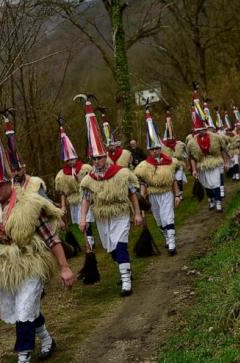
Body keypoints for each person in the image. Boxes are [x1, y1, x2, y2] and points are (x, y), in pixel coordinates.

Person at [0, 75, 74, 363]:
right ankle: (47, 340)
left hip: (31, 264)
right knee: (17, 312)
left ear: (8, 183)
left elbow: (51, 238)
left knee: (26, 310)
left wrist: (65, 267)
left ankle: (23, 361)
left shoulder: (28, 204)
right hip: (5, 270)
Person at [76, 94, 143, 296]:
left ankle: (125, 282)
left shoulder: (121, 174)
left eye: (100, 158)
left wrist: (137, 214)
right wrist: (82, 219)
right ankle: (125, 270)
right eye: (94, 158)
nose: (97, 162)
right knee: (112, 249)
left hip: (120, 213)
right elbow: (86, 199)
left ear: (106, 156)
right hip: (103, 217)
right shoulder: (88, 179)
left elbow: (132, 194)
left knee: (121, 245)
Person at [134, 104, 181, 255]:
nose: (155, 151)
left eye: (157, 148)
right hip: (153, 195)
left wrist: (178, 195)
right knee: (159, 220)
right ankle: (167, 238)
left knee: (168, 217)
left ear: (160, 148)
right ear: (149, 150)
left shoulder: (170, 162)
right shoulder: (144, 166)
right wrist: (142, 200)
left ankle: (172, 243)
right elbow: (143, 184)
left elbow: (173, 180)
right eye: (152, 149)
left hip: (166, 193)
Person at [54, 117, 95, 249]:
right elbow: (63, 192)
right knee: (80, 222)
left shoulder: (84, 169)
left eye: (73, 159)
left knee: (87, 219)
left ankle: (90, 240)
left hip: (85, 197)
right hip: (74, 200)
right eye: (68, 160)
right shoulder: (61, 175)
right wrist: (63, 206)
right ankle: (86, 238)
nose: (71, 162)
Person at [188, 88, 230, 212]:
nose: (201, 132)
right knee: (207, 184)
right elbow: (192, 157)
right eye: (199, 130)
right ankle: (211, 199)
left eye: (203, 129)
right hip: (202, 165)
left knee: (216, 182)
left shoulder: (216, 138)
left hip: (215, 162)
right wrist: (194, 169)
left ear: (206, 128)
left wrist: (227, 162)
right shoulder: (192, 142)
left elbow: (223, 149)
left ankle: (218, 202)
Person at [2, 111, 47, 197]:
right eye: (13, 171)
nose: (16, 173)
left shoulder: (34, 184)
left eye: (18, 170)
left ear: (24, 168)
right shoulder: (8, 188)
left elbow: (45, 202)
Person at [161, 107, 189, 192]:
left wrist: (187, 164)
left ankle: (180, 193)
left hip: (178, 165)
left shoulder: (179, 144)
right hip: (168, 166)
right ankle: (176, 192)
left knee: (179, 178)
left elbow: (185, 155)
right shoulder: (162, 146)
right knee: (173, 180)